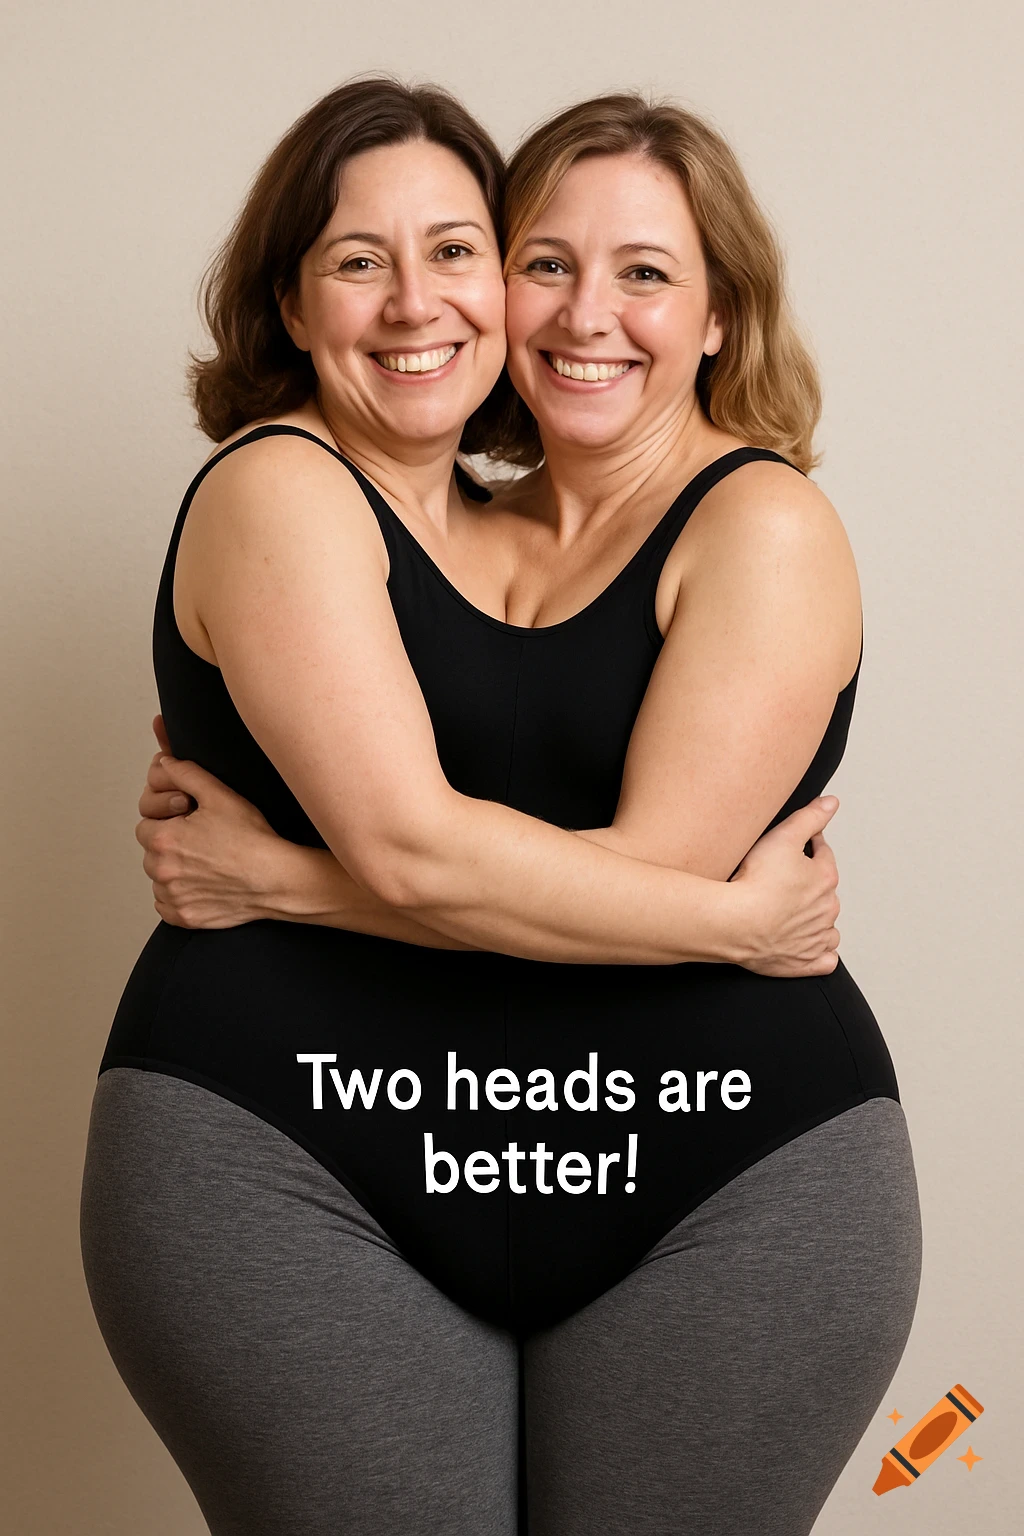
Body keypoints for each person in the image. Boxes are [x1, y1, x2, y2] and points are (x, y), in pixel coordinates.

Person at [81, 78, 920, 1536]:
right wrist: (727, 919)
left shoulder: (762, 525)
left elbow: (628, 877)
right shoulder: (380, 505)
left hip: (712, 1164)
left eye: (647, 273)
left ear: (722, 315)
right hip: (316, 1150)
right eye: (548, 261)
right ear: (289, 298)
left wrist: (282, 877)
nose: (586, 313)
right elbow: (439, 850)